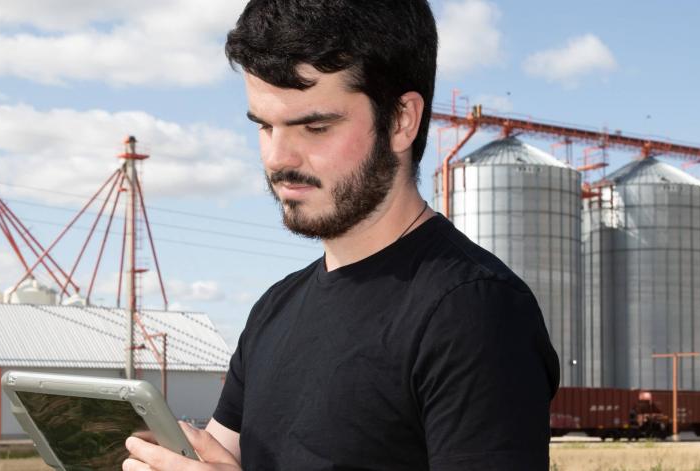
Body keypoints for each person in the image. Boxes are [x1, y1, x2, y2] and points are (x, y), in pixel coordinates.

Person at [124, 1, 560, 469]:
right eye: (265, 126)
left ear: (400, 120)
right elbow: (220, 455)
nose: (277, 157)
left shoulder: (473, 311)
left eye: (314, 127)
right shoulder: (274, 309)